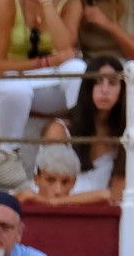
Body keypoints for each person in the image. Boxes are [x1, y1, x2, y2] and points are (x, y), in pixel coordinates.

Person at [0, 0, 88, 186]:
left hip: (43, 83)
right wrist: (45, 63)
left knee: (78, 68)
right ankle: (7, 152)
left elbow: (66, 48)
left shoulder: (71, 0)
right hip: (3, 79)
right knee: (17, 88)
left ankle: (77, 140)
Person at [47, 52, 127, 190]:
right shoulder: (60, 129)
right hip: (62, 207)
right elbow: (51, 190)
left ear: (121, 91)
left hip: (104, 208)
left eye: (112, 83)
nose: (105, 90)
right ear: (87, 88)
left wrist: (104, 197)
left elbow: (117, 193)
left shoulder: (126, 133)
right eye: (97, 82)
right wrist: (102, 196)